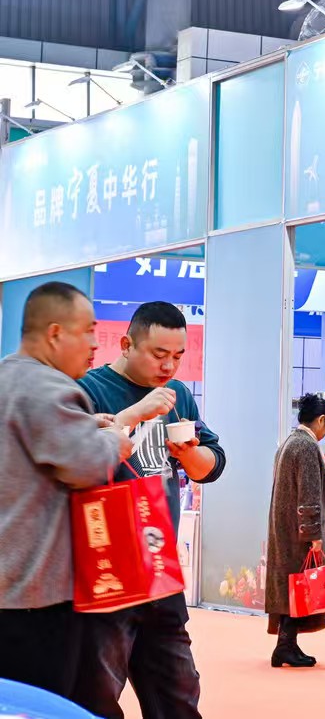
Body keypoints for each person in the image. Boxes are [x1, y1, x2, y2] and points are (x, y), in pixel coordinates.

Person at [77, 302, 224, 719]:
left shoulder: (179, 397)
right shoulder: (88, 390)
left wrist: (189, 454)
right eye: (159, 354)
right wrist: (132, 416)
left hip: (160, 566)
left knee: (178, 692)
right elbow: (76, 461)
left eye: (178, 356)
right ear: (126, 345)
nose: (169, 366)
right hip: (105, 568)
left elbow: (211, 465)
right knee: (98, 694)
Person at [0, 283, 136, 704]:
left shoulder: (8, 377)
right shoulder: (48, 388)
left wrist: (87, 426)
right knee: (41, 704)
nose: (96, 343)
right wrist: (115, 441)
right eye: (89, 330)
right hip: (34, 596)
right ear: (55, 334)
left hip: (9, 590)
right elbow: (86, 466)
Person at [265, 394, 325, 669]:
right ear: (321, 420)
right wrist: (313, 535)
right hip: (298, 534)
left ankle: (287, 645)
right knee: (299, 587)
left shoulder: (289, 443)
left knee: (290, 588)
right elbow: (309, 494)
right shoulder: (306, 446)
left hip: (284, 529)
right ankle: (285, 647)